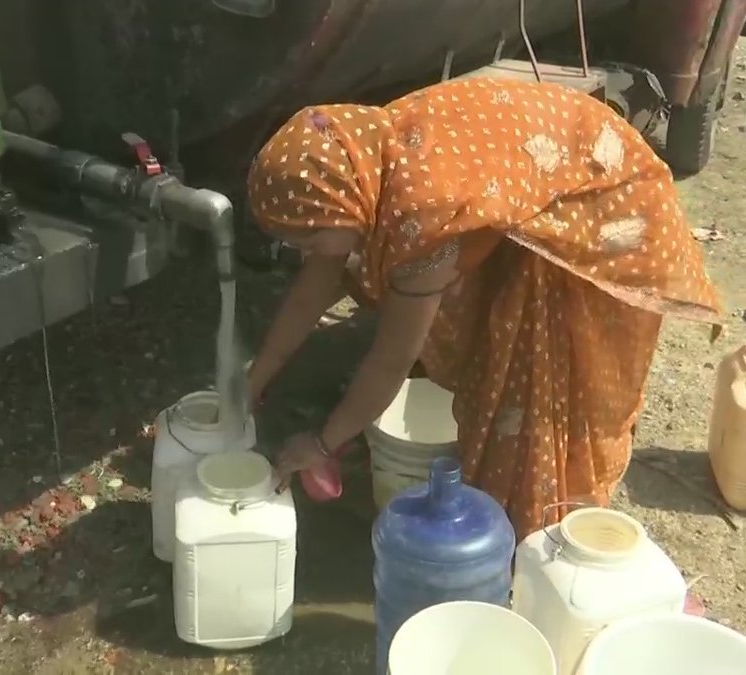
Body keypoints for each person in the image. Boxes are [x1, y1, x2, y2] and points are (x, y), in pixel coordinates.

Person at [245, 77, 722, 540]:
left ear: (338, 202)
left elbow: (389, 360)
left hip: (600, 203)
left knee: (549, 386)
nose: (305, 251)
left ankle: (554, 532)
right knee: (501, 351)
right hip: (541, 179)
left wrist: (324, 443)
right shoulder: (366, 161)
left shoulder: (423, 216)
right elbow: (313, 289)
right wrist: (254, 380)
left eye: (306, 237)